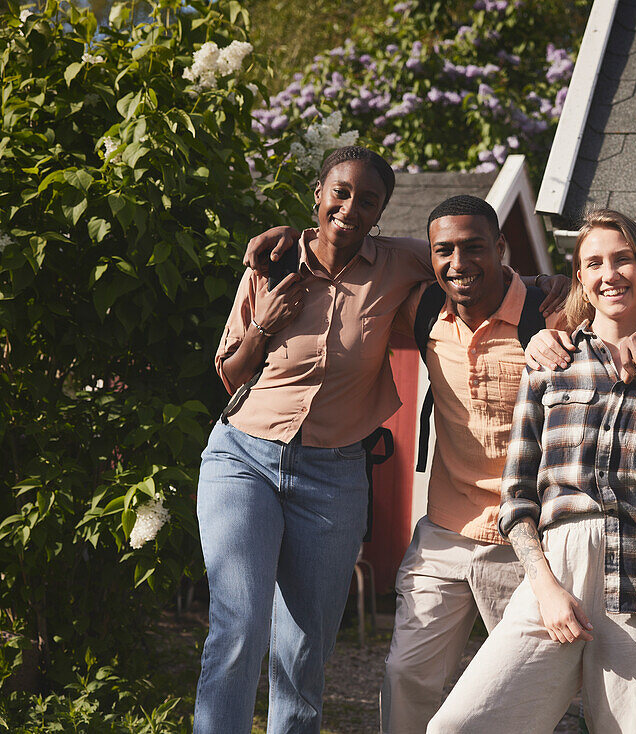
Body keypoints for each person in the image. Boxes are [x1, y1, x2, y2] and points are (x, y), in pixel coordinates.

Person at [380, 196, 636, 734]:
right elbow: (521, 488)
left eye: (623, 258)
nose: (610, 274)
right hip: (538, 554)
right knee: (457, 720)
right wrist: (547, 584)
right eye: (595, 263)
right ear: (579, 276)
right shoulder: (552, 360)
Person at [195, 145, 435, 734]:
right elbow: (230, 371)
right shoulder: (272, 262)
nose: (351, 207)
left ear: (381, 213)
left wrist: (549, 285)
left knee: (304, 647)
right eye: (341, 192)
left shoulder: (401, 263)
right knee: (240, 623)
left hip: (335, 475)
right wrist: (264, 322)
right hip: (243, 457)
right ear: (319, 196)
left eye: (368, 200)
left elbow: (467, 258)